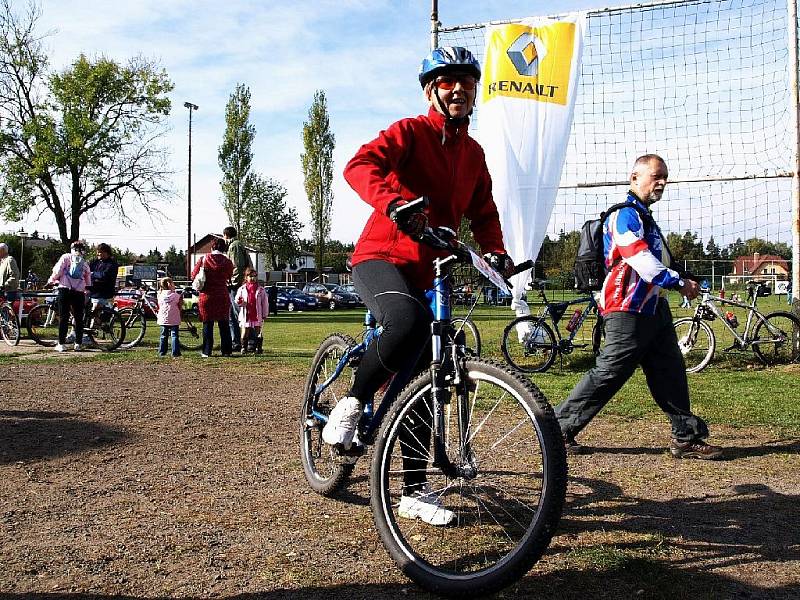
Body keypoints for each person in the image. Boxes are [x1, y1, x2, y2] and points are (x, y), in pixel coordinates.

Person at [322, 47, 514, 525]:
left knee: (426, 377)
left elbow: (484, 212)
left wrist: (494, 250)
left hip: (433, 266)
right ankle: (353, 402)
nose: (458, 89)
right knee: (404, 321)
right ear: (432, 89)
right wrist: (394, 203)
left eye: (467, 82)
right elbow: (359, 165)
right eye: (447, 81)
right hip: (381, 255)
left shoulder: (473, 153)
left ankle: (413, 490)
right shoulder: (410, 131)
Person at [555, 155, 722, 460]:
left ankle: (685, 437)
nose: (661, 183)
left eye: (665, 178)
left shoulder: (645, 217)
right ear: (634, 177)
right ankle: (557, 430)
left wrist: (684, 277)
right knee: (610, 372)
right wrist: (678, 283)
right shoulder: (625, 216)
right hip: (626, 308)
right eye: (656, 176)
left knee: (670, 370)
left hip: (653, 308)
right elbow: (639, 259)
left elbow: (661, 261)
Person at [192, 237, 234, 357]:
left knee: (207, 324)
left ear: (212, 247)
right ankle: (226, 351)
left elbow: (193, 275)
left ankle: (206, 351)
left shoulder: (203, 259)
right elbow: (230, 275)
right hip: (222, 294)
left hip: (207, 295)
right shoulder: (227, 262)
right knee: (224, 324)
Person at [48, 240, 92, 352]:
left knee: (64, 316)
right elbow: (88, 278)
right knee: (78, 318)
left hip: (65, 289)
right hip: (79, 292)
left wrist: (51, 280)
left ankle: (61, 344)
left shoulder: (66, 257)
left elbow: (57, 270)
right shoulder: (84, 262)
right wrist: (87, 288)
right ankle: (78, 344)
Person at [224, 226, 253, 352]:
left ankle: (249, 342)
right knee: (232, 315)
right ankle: (235, 341)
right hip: (235, 284)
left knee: (240, 314)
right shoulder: (237, 245)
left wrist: (233, 283)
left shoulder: (234, 246)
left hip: (235, 286)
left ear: (226, 235)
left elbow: (237, 266)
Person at [234, 267, 269, 354]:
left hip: (257, 314)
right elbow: (237, 300)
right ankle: (243, 348)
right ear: (246, 277)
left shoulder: (261, 290)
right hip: (246, 314)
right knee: (245, 331)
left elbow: (265, 303)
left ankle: (259, 348)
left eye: (254, 276)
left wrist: (265, 314)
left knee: (258, 331)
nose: (253, 278)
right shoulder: (242, 289)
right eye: (250, 276)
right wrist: (240, 301)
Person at [87, 243, 119, 330]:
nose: (98, 254)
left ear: (107, 253)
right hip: (92, 290)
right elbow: (86, 271)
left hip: (104, 292)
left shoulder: (112, 264)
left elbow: (104, 275)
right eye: (98, 252)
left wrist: (93, 274)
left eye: (101, 252)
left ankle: (92, 330)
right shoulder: (95, 262)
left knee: (95, 309)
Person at [156, 276, 182, 358]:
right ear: (169, 284)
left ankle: (162, 352)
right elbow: (180, 304)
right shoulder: (175, 296)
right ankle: (175, 352)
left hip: (163, 319)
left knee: (163, 335)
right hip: (174, 319)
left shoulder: (159, 295)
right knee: (174, 335)